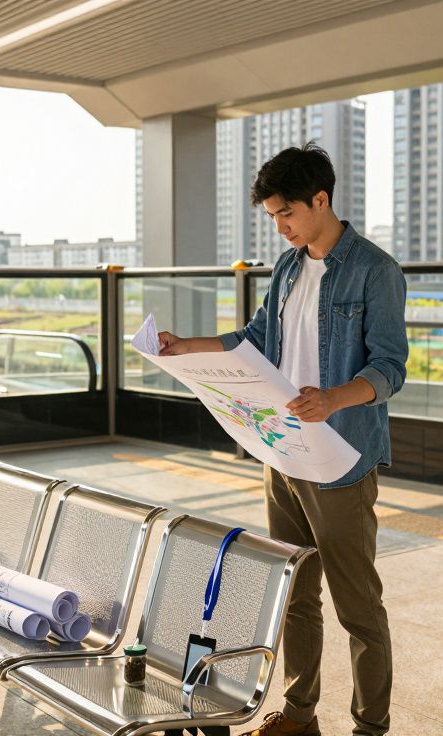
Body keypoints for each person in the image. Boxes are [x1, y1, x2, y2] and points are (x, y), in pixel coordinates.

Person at [158, 143, 407, 736]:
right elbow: (256, 339)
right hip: (283, 454)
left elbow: (391, 368)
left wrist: (333, 398)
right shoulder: (289, 267)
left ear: (321, 200)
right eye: (273, 217)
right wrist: (184, 346)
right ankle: (299, 715)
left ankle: (371, 727)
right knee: (294, 595)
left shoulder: (375, 270)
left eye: (287, 214)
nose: (281, 226)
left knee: (359, 608)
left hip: (340, 461)